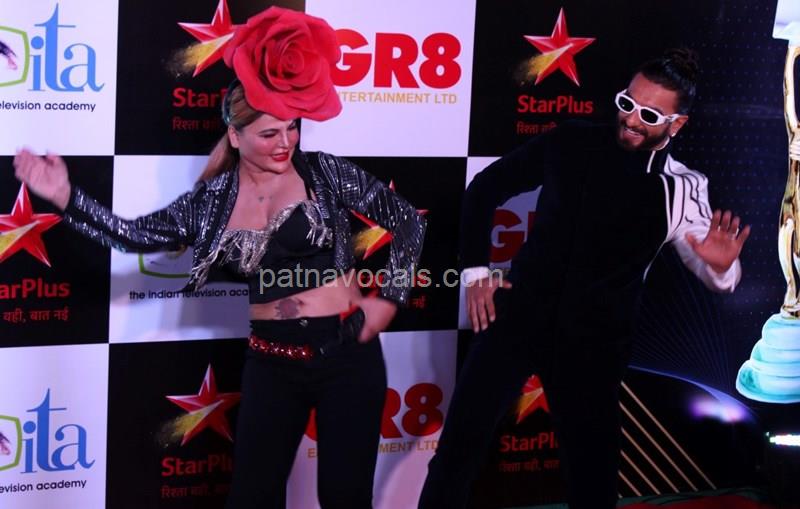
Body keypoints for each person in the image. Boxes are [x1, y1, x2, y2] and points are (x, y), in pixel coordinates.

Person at [13, 7, 425, 509]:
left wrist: (389, 298)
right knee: (251, 498)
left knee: (344, 497)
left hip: (347, 357)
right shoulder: (210, 201)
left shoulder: (325, 173)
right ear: (235, 135)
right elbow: (134, 236)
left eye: (292, 129)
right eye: (269, 134)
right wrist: (66, 196)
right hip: (271, 363)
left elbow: (409, 220)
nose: (285, 143)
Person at [418, 48, 750, 509]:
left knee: (592, 477)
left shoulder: (682, 188)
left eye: (650, 115)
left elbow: (716, 275)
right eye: (627, 103)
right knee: (456, 453)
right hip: (517, 318)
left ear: (677, 125)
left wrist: (721, 266)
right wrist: (477, 273)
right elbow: (484, 189)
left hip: (594, 344)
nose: (631, 120)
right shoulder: (571, 140)